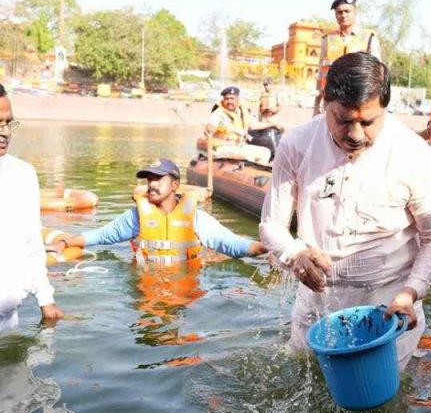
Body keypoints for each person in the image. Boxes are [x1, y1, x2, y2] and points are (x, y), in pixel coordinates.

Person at [260, 52, 431, 367]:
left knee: (380, 400)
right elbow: (271, 226)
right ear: (324, 104)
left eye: (368, 122)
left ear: (385, 109)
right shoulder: (297, 145)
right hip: (317, 298)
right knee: (301, 376)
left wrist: (411, 293)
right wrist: (294, 253)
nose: (356, 135)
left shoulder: (415, 155)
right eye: (344, 120)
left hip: (388, 305)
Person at [46, 159, 266, 264]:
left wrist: (267, 249)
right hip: (145, 289)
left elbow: (231, 244)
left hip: (186, 291)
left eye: (159, 179)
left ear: (175, 185)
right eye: (149, 179)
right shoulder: (136, 217)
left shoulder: (197, 218)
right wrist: (66, 243)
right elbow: (101, 235)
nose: (152, 184)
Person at [0, 83, 64, 329]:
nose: (5, 132)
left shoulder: (23, 174)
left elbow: (32, 242)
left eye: (9, 122)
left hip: (9, 324)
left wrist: (45, 299)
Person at [312, 0, 382, 116]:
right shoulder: (327, 39)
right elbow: (321, 74)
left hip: (358, 101)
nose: (343, 15)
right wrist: (316, 105)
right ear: (335, 15)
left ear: (355, 12)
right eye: (339, 12)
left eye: (347, 11)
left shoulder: (369, 38)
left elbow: (378, 73)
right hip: (331, 102)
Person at [204, 87, 276, 166]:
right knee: (249, 155)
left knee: (266, 152)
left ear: (238, 100)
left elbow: (254, 125)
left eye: (232, 98)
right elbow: (212, 123)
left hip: (238, 145)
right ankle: (247, 173)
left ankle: (257, 174)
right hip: (222, 147)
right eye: (226, 99)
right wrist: (209, 126)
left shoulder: (241, 112)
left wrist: (273, 124)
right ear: (223, 100)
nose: (229, 101)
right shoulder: (218, 113)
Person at [251, 79, 286, 160]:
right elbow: (259, 107)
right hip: (263, 117)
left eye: (267, 85)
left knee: (274, 135)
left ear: (271, 85)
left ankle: (276, 154)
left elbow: (280, 105)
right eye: (265, 85)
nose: (266, 87)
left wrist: (274, 110)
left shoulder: (276, 94)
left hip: (273, 117)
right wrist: (262, 111)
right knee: (264, 135)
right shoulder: (262, 95)